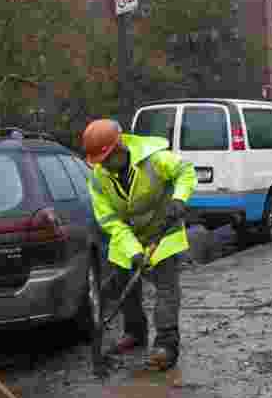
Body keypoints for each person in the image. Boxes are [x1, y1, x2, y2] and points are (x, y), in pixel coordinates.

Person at [82, 119, 195, 370]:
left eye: (107, 158)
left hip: (163, 230)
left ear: (119, 145)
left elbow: (185, 170)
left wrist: (179, 198)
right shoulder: (98, 179)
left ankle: (166, 343)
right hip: (129, 235)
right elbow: (109, 221)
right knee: (125, 283)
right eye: (99, 161)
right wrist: (134, 252)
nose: (103, 165)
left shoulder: (154, 159)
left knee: (166, 288)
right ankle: (135, 332)